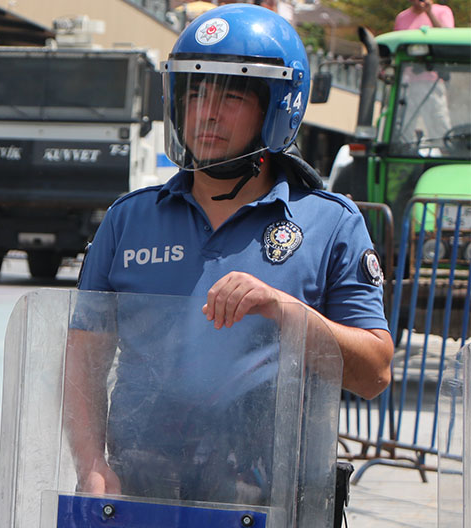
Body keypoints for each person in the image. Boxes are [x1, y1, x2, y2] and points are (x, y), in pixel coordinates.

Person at [65, 4, 393, 499]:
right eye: (194, 93)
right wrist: (90, 464)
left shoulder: (332, 224)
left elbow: (374, 374)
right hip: (139, 492)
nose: (206, 112)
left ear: (278, 107)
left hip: (271, 502)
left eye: (232, 95)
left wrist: (289, 313)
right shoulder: (129, 219)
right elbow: (83, 360)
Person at [394, 0, 455, 152]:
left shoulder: (442, 12)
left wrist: (429, 13)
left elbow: (448, 39)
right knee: (403, 129)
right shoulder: (402, 17)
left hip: (432, 82)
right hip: (406, 84)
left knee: (439, 126)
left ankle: (446, 156)